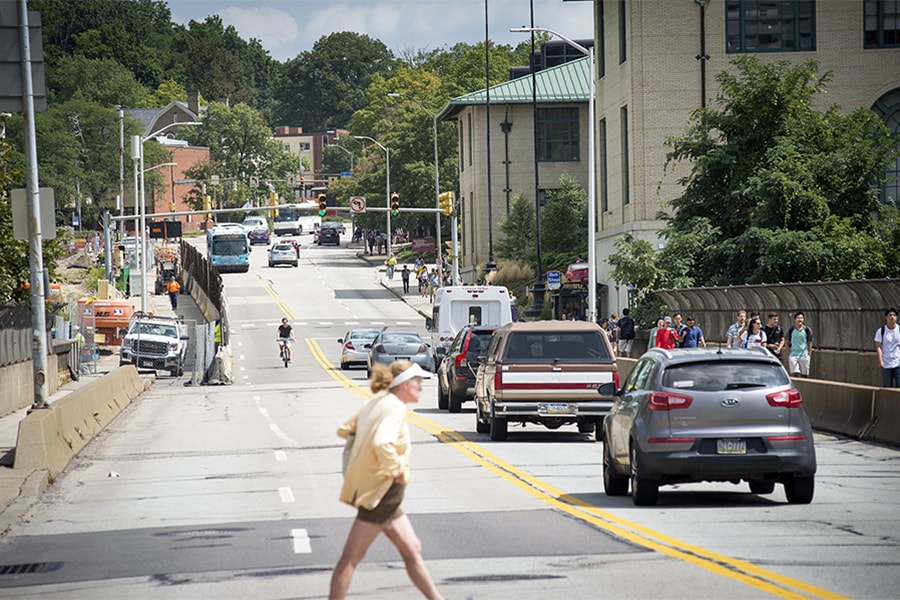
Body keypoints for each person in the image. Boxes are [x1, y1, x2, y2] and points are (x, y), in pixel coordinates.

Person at [331, 362, 442, 600]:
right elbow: (382, 442)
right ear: (404, 385)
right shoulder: (395, 408)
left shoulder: (377, 402)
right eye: (418, 382)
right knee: (351, 557)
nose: (422, 387)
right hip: (380, 493)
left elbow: (345, 428)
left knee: (412, 549)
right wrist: (396, 469)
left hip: (384, 492)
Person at [875, 307, 900, 388]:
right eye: (890, 315)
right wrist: (880, 361)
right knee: (887, 388)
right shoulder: (881, 331)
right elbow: (878, 347)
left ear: (896, 317)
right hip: (886, 365)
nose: (892, 317)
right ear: (886, 317)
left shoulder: (899, 330)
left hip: (898, 363)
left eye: (894, 315)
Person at [785, 311, 814, 378]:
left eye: (801, 318)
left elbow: (810, 342)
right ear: (795, 319)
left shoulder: (807, 330)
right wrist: (788, 353)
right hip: (793, 355)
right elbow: (786, 341)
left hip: (804, 355)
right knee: (794, 373)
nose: (800, 319)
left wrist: (809, 354)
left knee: (804, 374)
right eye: (798, 318)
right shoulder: (791, 330)